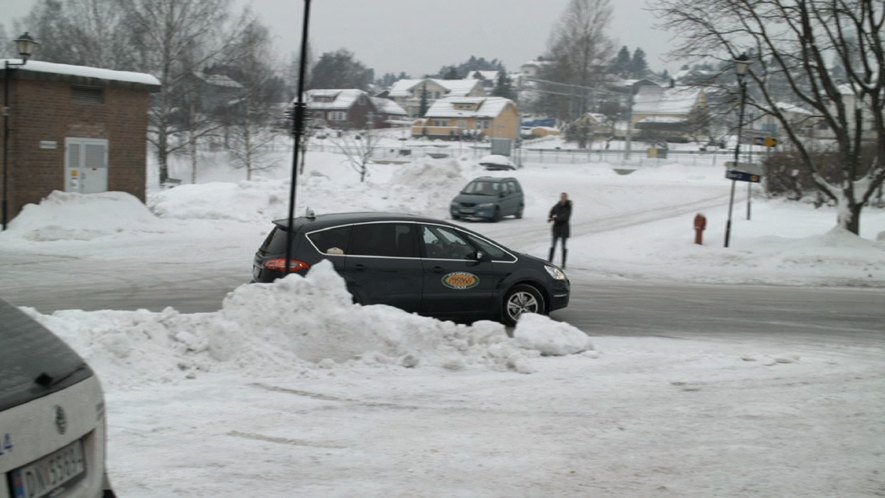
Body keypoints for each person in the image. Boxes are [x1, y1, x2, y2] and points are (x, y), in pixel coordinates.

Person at [547, 192, 572, 268]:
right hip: (556, 229)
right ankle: (549, 262)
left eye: (564, 197)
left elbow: (565, 217)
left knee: (563, 246)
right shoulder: (557, 205)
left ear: (566, 198)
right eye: (561, 197)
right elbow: (551, 211)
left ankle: (563, 264)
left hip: (564, 229)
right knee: (553, 246)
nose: (563, 199)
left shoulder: (568, 207)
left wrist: (555, 218)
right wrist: (551, 216)